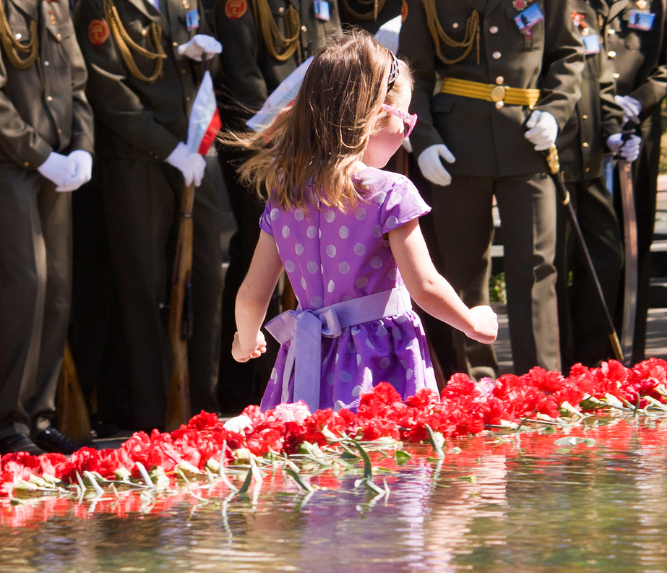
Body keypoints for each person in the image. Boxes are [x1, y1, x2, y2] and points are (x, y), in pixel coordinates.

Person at [230, 31, 498, 411]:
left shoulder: (285, 196)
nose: (406, 136)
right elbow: (424, 285)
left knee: (313, 460)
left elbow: (253, 295)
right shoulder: (390, 192)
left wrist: (246, 338)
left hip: (307, 358)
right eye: (406, 122)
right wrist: (472, 323)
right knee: (387, 457)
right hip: (380, 361)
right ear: (374, 117)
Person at [399, 0, 585, 379]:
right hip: (457, 147)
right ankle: (476, 385)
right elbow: (411, 73)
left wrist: (555, 110)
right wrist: (424, 137)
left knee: (535, 268)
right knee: (463, 271)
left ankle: (541, 384)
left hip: (527, 142)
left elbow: (568, 55)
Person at [74, 0, 223, 430]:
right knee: (145, 287)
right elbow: (109, 92)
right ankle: (154, 415)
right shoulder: (101, 7)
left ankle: (201, 405)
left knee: (207, 278)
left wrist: (197, 55)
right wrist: (168, 148)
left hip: (195, 147)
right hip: (138, 158)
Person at [0, 0, 94, 454]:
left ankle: (40, 415)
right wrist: (44, 156)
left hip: (57, 158)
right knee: (26, 283)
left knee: (56, 288)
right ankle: (8, 422)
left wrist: (82, 147)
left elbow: (76, 81)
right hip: (7, 159)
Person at [214, 0, 341, 412]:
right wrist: (285, 132)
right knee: (259, 253)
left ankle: (302, 373)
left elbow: (333, 55)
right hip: (262, 143)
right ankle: (241, 384)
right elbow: (242, 72)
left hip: (316, 142)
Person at [555, 1, 639, 370]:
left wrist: (614, 133)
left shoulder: (582, 14)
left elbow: (601, 81)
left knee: (607, 255)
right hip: (549, 163)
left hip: (588, 160)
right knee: (550, 269)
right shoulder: (536, 12)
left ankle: (589, 364)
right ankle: (556, 364)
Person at [594, 0, 667, 364]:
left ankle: (629, 360)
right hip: (585, 130)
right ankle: (584, 358)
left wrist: (639, 101)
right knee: (585, 249)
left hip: (639, 131)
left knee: (632, 246)